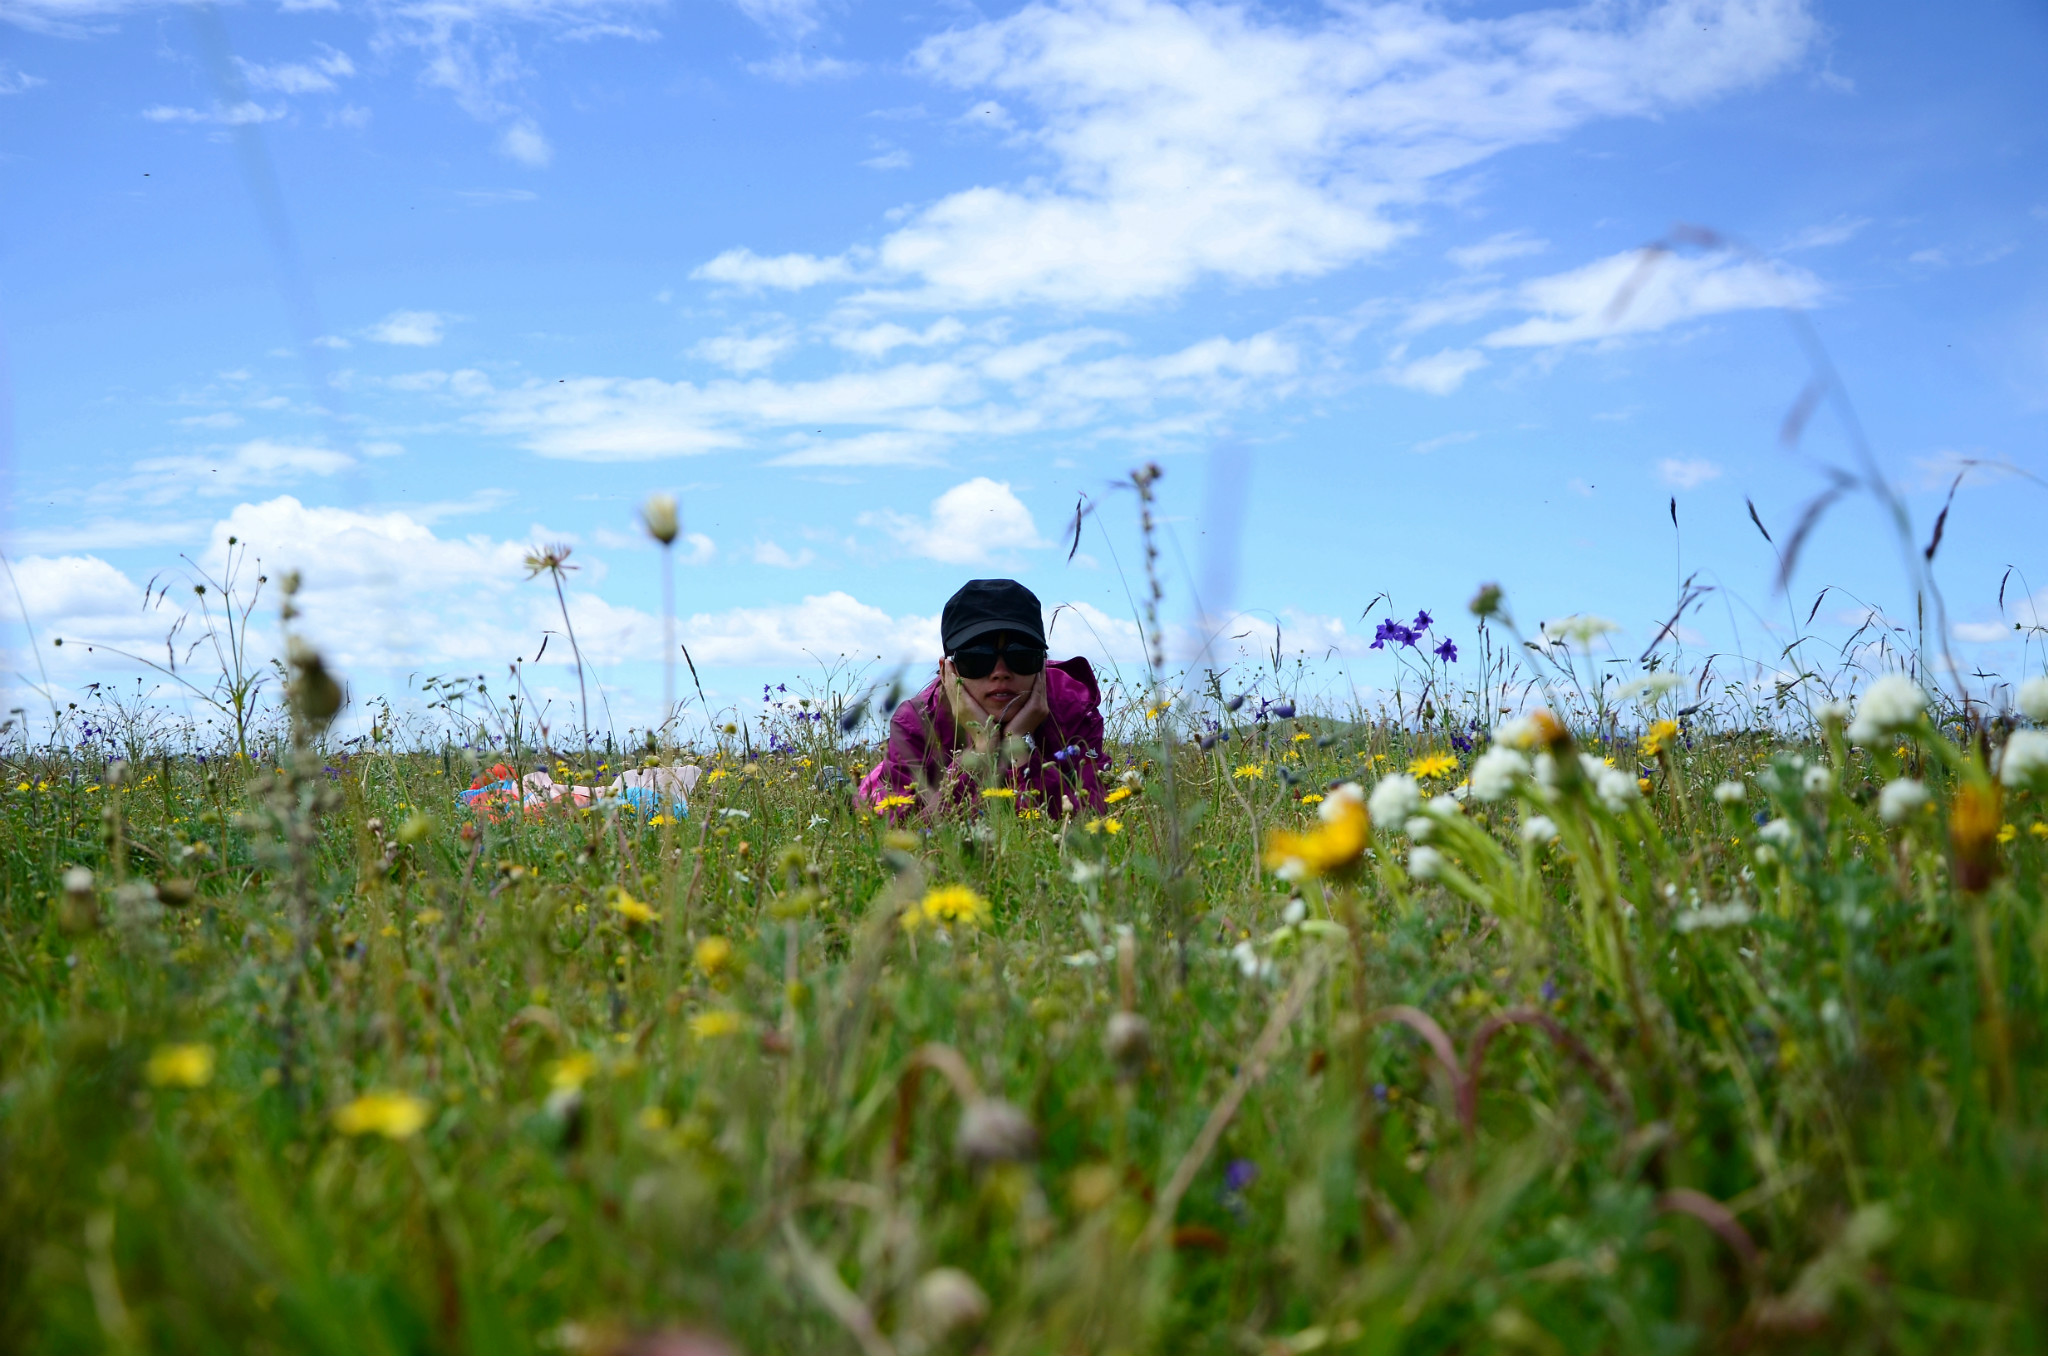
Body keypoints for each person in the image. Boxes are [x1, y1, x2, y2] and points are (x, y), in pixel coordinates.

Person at [858, 578, 1106, 818]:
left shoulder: (1073, 706)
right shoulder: (915, 722)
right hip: (883, 785)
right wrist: (981, 749)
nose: (1000, 673)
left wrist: (1017, 747)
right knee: (869, 797)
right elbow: (908, 829)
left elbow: (1089, 815)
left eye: (1020, 656)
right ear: (948, 670)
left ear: (1041, 663)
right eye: (977, 658)